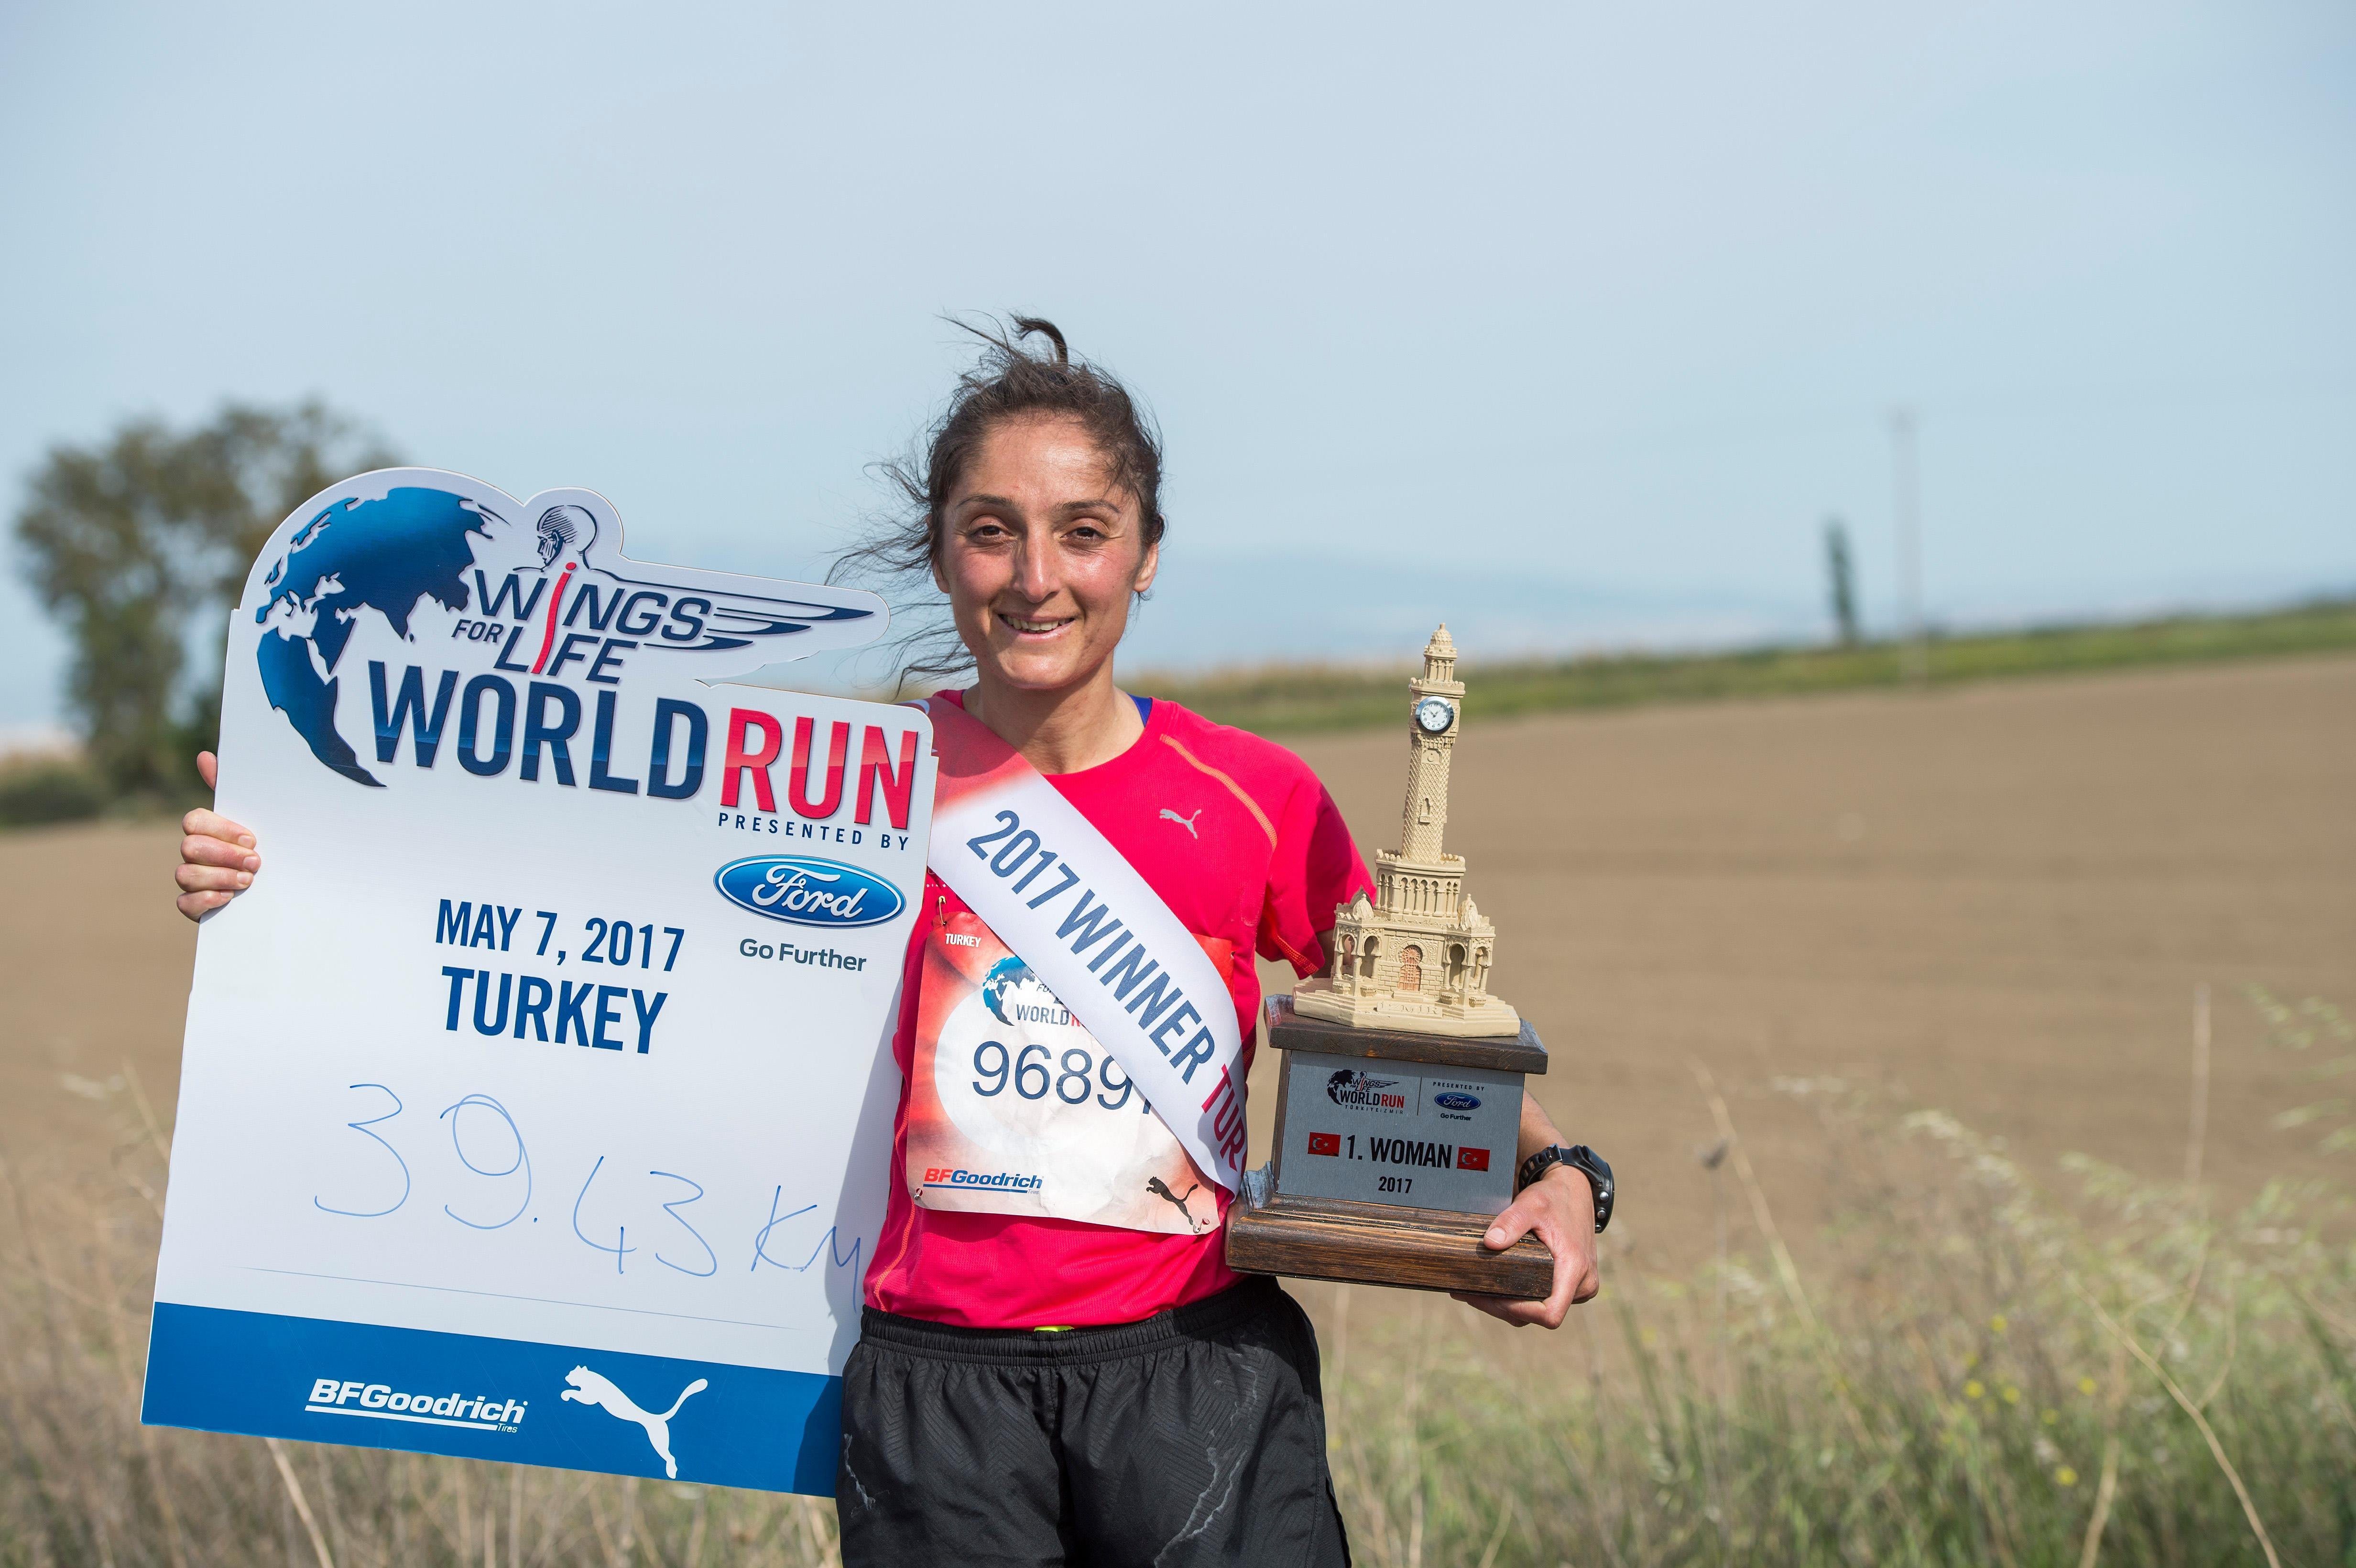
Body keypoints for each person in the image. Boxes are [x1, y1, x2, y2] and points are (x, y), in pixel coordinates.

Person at [174, 317, 1603, 1566]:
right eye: (992, 530)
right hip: (934, 1401)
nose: (1036, 576)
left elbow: (1404, 1033)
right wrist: (294, 867)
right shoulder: (841, 788)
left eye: (1082, 532)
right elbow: (574, 908)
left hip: (1199, 1372)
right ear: (943, 551)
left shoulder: (1257, 798)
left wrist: (1555, 1171)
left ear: (1147, 557)